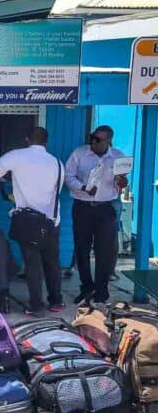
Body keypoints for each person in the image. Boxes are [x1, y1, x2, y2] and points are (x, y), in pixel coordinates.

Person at [0, 127, 65, 316]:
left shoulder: (16, 156)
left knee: (32, 264)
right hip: (52, 220)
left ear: (27, 139)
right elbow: (56, 191)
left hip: (28, 221)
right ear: (46, 142)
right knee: (52, 262)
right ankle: (56, 300)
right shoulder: (58, 163)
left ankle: (36, 305)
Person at [65, 125, 128, 304]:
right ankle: (86, 287)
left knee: (104, 251)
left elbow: (121, 183)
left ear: (108, 140)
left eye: (99, 139)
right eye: (92, 137)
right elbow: (68, 177)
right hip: (82, 207)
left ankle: (101, 291)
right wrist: (83, 188)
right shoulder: (79, 153)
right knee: (82, 249)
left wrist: (123, 182)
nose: (93, 141)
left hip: (106, 208)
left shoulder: (118, 157)